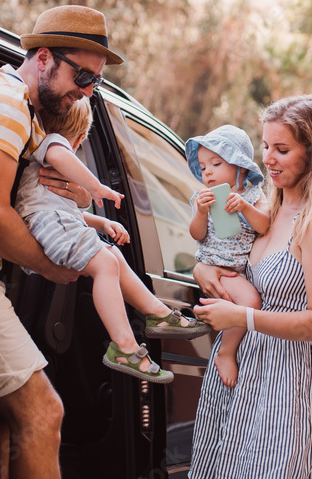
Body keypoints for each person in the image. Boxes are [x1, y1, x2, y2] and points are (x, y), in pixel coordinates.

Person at [0, 5, 119, 479]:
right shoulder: (7, 101)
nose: (86, 91)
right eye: (82, 75)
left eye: (95, 83)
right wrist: (51, 265)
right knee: (44, 414)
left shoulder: (19, 111)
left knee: (5, 427)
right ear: (43, 57)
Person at [190, 95, 312, 479]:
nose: (267, 159)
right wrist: (202, 269)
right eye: (265, 146)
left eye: (282, 149)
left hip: (287, 386)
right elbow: (220, 252)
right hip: (238, 378)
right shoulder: (266, 209)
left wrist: (241, 317)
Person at [14, 99, 208, 384]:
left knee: (112, 255)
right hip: (47, 225)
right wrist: (96, 187)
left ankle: (158, 312)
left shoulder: (48, 166)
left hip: (52, 223)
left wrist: (101, 222)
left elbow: (63, 214)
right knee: (104, 263)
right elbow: (61, 162)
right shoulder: (52, 145)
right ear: (80, 138)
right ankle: (124, 347)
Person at [185, 125, 270, 387]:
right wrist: (200, 212)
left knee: (247, 302)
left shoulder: (254, 196)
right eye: (203, 166)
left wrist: (244, 206)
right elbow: (196, 235)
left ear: (240, 167)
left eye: (216, 163)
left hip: (239, 270)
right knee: (251, 301)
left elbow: (264, 225)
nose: (207, 171)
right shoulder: (203, 198)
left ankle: (229, 347)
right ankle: (226, 352)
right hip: (216, 266)